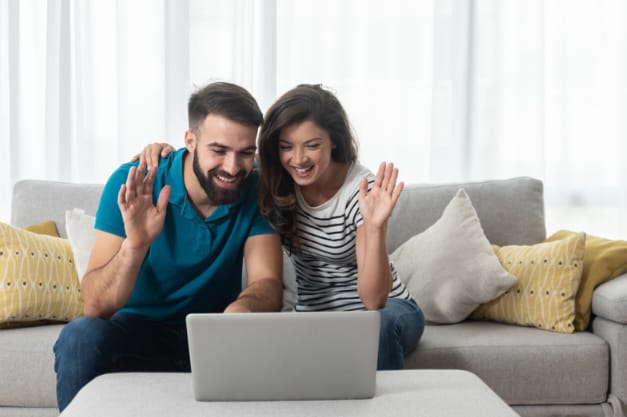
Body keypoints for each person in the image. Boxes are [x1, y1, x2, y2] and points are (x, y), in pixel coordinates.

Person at [141, 83, 424, 370]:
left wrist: (375, 229)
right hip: (314, 317)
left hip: (385, 313)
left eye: (312, 145)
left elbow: (374, 300)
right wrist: (162, 151)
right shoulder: (277, 179)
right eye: (286, 147)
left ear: (334, 141)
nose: (298, 159)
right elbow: (219, 157)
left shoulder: (361, 192)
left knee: (379, 327)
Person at [53, 82, 283, 411]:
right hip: (136, 334)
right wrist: (136, 245)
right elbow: (95, 306)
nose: (233, 167)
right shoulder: (133, 181)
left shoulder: (257, 189)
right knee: (80, 337)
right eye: (218, 150)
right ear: (190, 141)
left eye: (246, 152)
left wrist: (240, 311)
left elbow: (268, 283)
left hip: (213, 336)